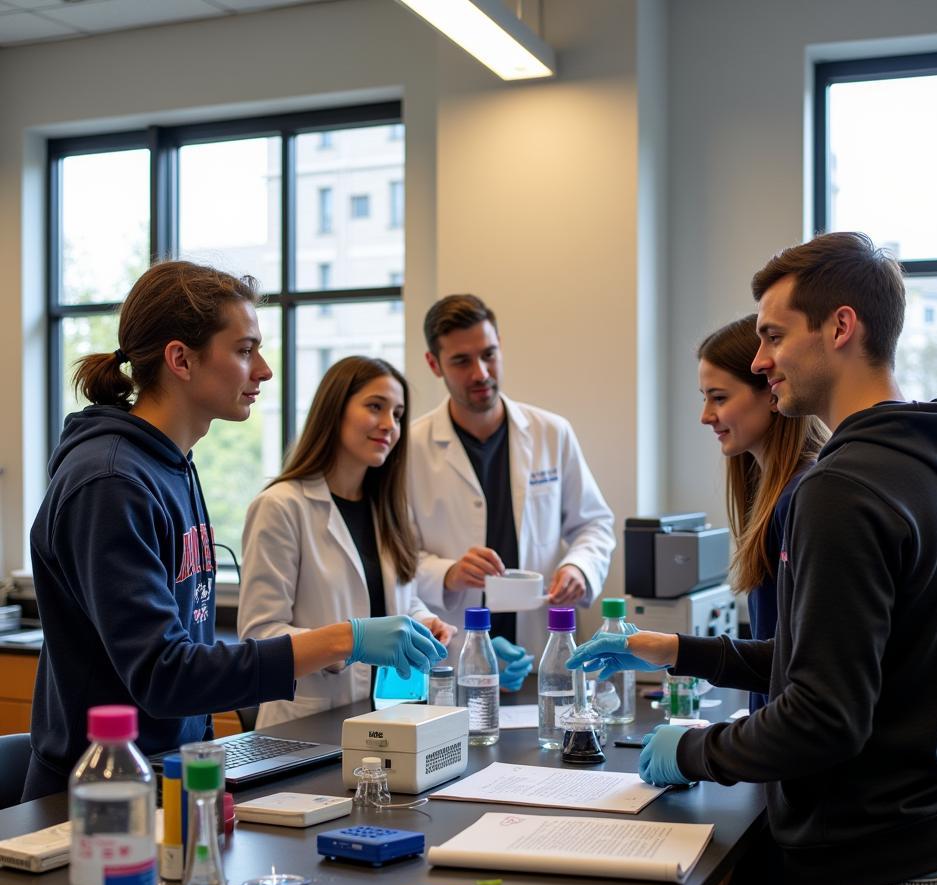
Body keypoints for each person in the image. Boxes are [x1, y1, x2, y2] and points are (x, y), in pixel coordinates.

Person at [569, 232, 937, 885]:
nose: (762, 362)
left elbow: (825, 717)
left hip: (872, 877)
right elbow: (842, 659)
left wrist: (693, 751)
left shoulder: (840, 489)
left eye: (773, 336)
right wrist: (682, 652)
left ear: (840, 329)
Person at [24, 261, 445, 800]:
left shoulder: (172, 465)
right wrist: (348, 638)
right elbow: (164, 673)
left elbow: (185, 656)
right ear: (181, 359)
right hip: (96, 798)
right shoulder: (109, 482)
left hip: (165, 776)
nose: (264, 370)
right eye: (245, 350)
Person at [698, 314, 828, 885]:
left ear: (767, 393)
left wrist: (699, 750)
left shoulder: (807, 499)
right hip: (784, 778)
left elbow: (801, 671)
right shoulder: (769, 493)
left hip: (807, 788)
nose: (705, 415)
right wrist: (679, 652)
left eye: (719, 396)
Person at [238, 356, 456, 727]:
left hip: (389, 721)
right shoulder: (281, 506)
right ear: (334, 410)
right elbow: (261, 637)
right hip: (306, 725)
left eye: (399, 414)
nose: (390, 425)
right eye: (375, 407)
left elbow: (395, 596)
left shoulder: (388, 507)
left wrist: (422, 621)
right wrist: (349, 641)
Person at [408, 293, 615, 682]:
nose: (481, 373)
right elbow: (395, 559)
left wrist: (579, 567)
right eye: (461, 361)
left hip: (543, 651)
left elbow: (594, 524)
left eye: (489, 354)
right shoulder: (409, 448)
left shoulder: (551, 433)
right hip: (452, 655)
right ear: (434, 364)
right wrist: (448, 572)